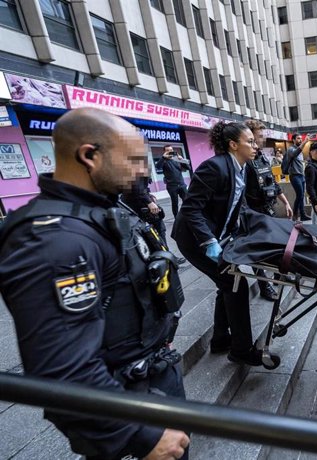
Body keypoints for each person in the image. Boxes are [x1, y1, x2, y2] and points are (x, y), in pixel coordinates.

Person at [0, 108, 189, 460]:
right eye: (133, 159)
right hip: (124, 407)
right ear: (89, 156)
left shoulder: (101, 211)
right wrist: (140, 435)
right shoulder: (55, 240)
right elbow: (61, 368)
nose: (144, 170)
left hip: (150, 377)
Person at [172, 121, 279, 366]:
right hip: (193, 239)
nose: (255, 145)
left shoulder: (242, 167)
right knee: (236, 284)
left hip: (218, 235)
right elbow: (191, 208)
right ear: (233, 145)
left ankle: (221, 339)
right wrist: (209, 242)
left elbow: (238, 206)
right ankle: (241, 351)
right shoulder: (214, 167)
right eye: (249, 141)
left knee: (227, 283)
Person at [244, 119, 293, 301]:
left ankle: (279, 274)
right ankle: (264, 285)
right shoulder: (244, 163)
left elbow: (273, 183)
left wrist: (286, 202)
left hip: (268, 209)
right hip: (253, 213)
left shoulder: (262, 158)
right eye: (259, 136)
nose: (263, 139)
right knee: (259, 251)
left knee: (278, 242)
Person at [121, 175, 186, 265]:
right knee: (159, 229)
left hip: (132, 202)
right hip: (138, 202)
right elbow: (136, 187)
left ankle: (160, 256)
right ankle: (166, 257)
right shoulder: (135, 164)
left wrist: (148, 196)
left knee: (146, 231)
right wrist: (149, 202)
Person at [155, 144, 190, 218]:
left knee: (187, 201)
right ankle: (176, 217)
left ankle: (188, 215)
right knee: (175, 203)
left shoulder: (177, 159)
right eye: (167, 150)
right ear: (164, 152)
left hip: (181, 185)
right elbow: (158, 167)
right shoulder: (163, 161)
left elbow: (188, 168)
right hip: (172, 186)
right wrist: (163, 157)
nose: (170, 152)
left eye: (171, 150)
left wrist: (182, 159)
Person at [286, 133, 309, 221]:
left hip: (301, 175)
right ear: (294, 140)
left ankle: (303, 215)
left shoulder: (301, 151)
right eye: (298, 138)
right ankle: (295, 214)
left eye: (301, 138)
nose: (300, 140)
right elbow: (294, 154)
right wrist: (305, 142)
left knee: (302, 196)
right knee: (299, 195)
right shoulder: (291, 149)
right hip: (295, 176)